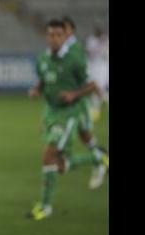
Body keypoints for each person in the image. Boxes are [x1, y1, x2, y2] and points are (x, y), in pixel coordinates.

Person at [27, 19, 109, 221]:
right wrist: (37, 89)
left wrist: (74, 94)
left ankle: (45, 207)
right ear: (46, 37)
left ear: (65, 37)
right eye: (51, 35)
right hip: (52, 113)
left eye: (58, 35)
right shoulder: (42, 59)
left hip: (69, 114)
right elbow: (44, 79)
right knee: (60, 165)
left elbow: (92, 85)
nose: (54, 38)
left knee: (49, 157)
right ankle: (98, 158)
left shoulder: (74, 59)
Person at [62, 16, 108, 189]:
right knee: (88, 139)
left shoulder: (74, 51)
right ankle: (100, 161)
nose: (59, 35)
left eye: (63, 31)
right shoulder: (69, 49)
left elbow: (89, 83)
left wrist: (74, 95)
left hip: (75, 107)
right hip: (72, 106)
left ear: (70, 31)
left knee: (56, 159)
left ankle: (102, 160)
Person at [85, 24, 109, 122]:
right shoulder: (91, 40)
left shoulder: (105, 40)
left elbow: (105, 54)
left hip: (103, 67)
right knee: (93, 88)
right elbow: (88, 51)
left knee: (98, 87)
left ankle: (95, 109)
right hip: (93, 67)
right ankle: (96, 108)